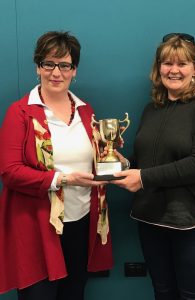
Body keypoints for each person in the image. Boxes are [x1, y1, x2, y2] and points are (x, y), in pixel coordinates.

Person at [0, 31, 113, 300]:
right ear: (38, 66)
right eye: (48, 63)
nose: (56, 72)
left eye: (65, 65)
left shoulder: (86, 111)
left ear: (74, 70)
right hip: (37, 226)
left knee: (74, 293)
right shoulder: (21, 113)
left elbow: (99, 156)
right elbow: (10, 171)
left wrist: (114, 161)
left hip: (81, 223)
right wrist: (62, 179)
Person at [111, 33, 195, 299]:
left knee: (193, 295)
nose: (174, 70)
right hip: (150, 219)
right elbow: (145, 159)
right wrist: (122, 163)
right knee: (163, 292)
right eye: (167, 63)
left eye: (182, 64)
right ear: (159, 69)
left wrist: (143, 178)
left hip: (193, 223)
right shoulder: (151, 108)